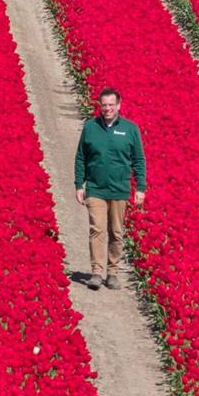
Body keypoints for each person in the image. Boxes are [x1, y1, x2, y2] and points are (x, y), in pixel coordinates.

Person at [74, 87, 146, 290]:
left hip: (119, 189)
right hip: (95, 188)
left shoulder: (130, 129)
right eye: (104, 105)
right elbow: (81, 158)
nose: (107, 108)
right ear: (100, 106)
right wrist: (79, 184)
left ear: (119, 105)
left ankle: (112, 272)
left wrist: (140, 187)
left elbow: (139, 160)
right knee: (97, 229)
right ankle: (97, 272)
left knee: (116, 232)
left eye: (111, 105)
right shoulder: (91, 127)